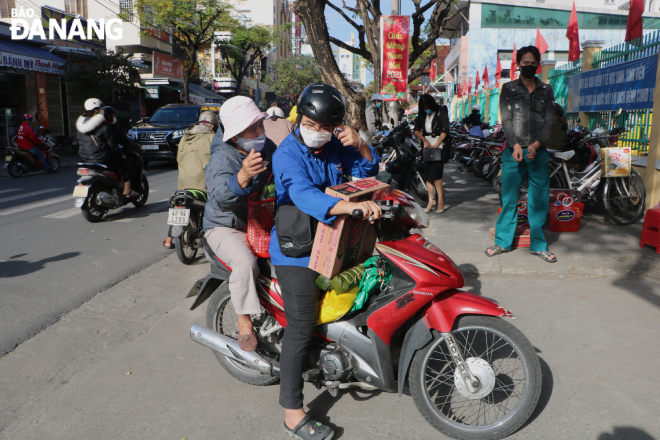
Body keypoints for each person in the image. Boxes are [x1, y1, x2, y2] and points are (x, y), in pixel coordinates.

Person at [270, 83, 380, 439]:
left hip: (334, 241)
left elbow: (368, 168)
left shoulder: (334, 146)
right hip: (297, 251)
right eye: (311, 124)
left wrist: (359, 142)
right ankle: (291, 411)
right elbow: (301, 193)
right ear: (300, 117)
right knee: (300, 325)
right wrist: (349, 206)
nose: (317, 133)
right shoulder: (286, 153)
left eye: (325, 128)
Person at [203, 96, 276, 350]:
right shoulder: (222, 158)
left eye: (260, 126)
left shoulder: (266, 147)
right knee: (245, 262)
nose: (260, 132)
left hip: (259, 219)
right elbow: (220, 197)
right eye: (252, 129)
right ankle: (244, 321)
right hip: (225, 226)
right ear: (235, 136)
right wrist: (242, 176)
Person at [487, 46, 557, 263]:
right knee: (509, 197)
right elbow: (506, 119)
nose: (529, 66)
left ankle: (538, 245)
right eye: (525, 62)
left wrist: (536, 144)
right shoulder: (509, 88)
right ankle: (503, 242)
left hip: (539, 153)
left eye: (532, 62)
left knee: (539, 200)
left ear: (538, 63)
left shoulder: (546, 89)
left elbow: (549, 121)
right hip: (512, 152)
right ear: (518, 65)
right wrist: (515, 144)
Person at [163, 111, 218, 249]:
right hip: (204, 186)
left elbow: (178, 160)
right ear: (212, 126)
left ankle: (169, 240)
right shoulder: (214, 139)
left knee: (177, 207)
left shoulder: (184, 137)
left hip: (184, 185)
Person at [77, 98, 135, 196]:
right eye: (100, 108)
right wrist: (121, 155)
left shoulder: (81, 125)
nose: (101, 110)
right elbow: (113, 145)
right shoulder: (103, 125)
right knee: (127, 164)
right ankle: (127, 190)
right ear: (95, 110)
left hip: (84, 159)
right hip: (101, 159)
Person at [413, 94, 450, 214]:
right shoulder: (422, 113)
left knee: (437, 175)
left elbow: (445, 129)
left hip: (439, 146)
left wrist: (437, 144)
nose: (426, 109)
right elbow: (416, 129)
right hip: (427, 147)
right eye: (424, 107)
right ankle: (431, 200)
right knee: (428, 176)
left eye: (428, 106)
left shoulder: (441, 110)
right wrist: (424, 140)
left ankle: (440, 200)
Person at [103, 107, 143, 193]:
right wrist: (122, 154)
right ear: (109, 116)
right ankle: (129, 190)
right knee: (131, 165)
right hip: (107, 157)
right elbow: (120, 144)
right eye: (113, 115)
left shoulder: (92, 128)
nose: (114, 117)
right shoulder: (110, 128)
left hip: (91, 158)